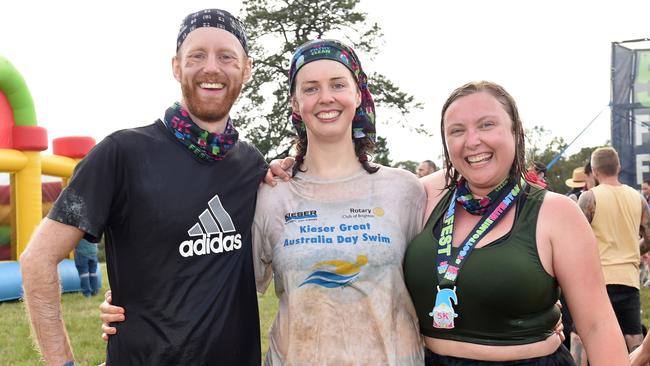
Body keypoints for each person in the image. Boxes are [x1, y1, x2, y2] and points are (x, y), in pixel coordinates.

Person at [103, 38, 426, 366]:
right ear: (296, 104)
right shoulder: (270, 194)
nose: (325, 97)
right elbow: (212, 275)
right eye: (310, 88)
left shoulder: (405, 191)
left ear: (358, 94)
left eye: (338, 84)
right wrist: (134, 304)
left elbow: (442, 277)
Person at [19, 9, 266, 366]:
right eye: (196, 55)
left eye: (226, 56)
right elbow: (37, 260)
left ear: (246, 69)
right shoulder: (121, 154)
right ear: (176, 67)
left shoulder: (252, 167)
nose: (211, 67)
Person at [403, 81, 628, 365]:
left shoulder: (557, 213)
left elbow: (597, 325)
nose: (472, 141)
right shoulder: (422, 198)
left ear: (515, 130)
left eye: (486, 125)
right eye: (457, 130)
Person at [577, 147, 650, 353]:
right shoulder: (639, 199)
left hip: (597, 280)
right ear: (618, 167)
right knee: (634, 339)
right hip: (629, 278)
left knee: (584, 337)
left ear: (594, 170)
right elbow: (649, 238)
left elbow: (576, 240)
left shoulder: (589, 198)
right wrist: (634, 250)